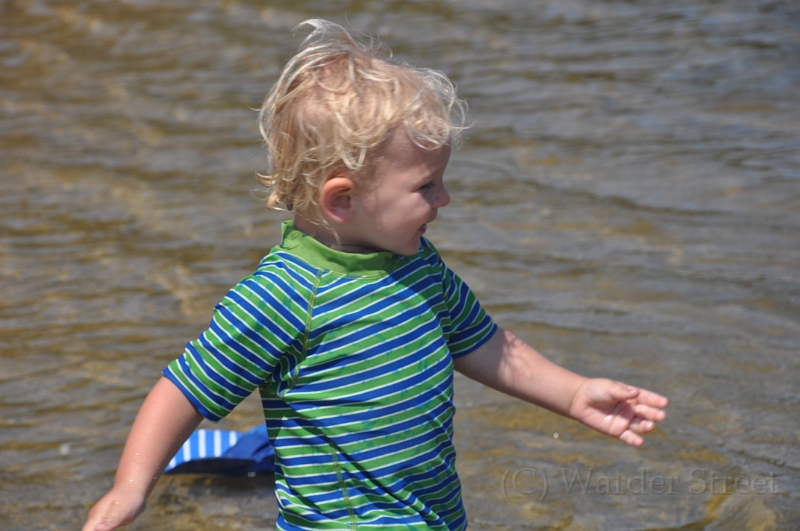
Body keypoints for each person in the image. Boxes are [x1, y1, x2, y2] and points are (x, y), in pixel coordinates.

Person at [82, 19, 668, 531]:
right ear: (343, 199)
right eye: (426, 186)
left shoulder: (420, 266)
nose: (444, 199)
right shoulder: (285, 294)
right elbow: (186, 389)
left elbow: (485, 344)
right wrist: (131, 487)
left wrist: (574, 393)